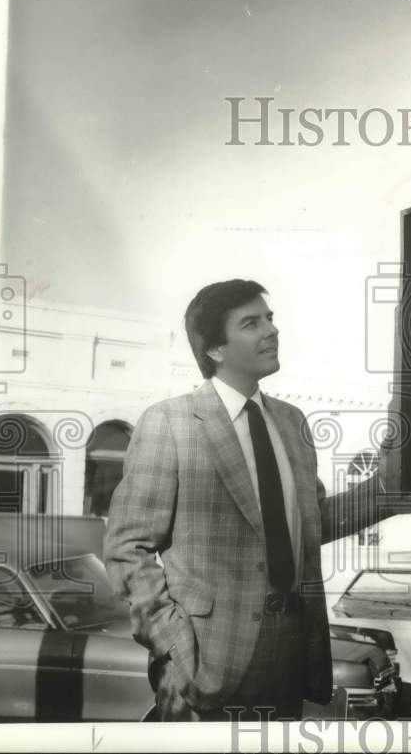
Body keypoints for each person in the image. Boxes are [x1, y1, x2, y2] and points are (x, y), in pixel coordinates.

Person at [103, 279, 393, 721]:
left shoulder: (292, 423)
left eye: (270, 319)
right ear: (216, 349)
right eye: (251, 323)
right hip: (205, 664)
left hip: (290, 652)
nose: (271, 331)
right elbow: (127, 548)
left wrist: (391, 487)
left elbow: (312, 521)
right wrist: (176, 645)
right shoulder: (170, 422)